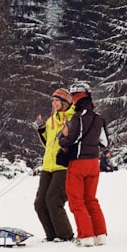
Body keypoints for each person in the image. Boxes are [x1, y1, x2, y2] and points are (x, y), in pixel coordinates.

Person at [58, 88, 108, 247]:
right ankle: (100, 235)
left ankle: (85, 237)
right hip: (94, 163)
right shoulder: (99, 118)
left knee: (77, 201)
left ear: (76, 100)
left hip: (78, 163)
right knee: (91, 199)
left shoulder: (77, 117)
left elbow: (71, 139)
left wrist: (62, 138)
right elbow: (105, 142)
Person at [33, 88, 76, 242]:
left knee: (53, 200)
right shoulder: (51, 120)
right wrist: (41, 128)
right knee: (39, 203)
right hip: (47, 166)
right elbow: (47, 142)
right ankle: (51, 235)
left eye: (57, 100)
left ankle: (65, 234)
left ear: (65, 102)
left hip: (63, 166)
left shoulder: (72, 118)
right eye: (53, 100)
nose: (54, 103)